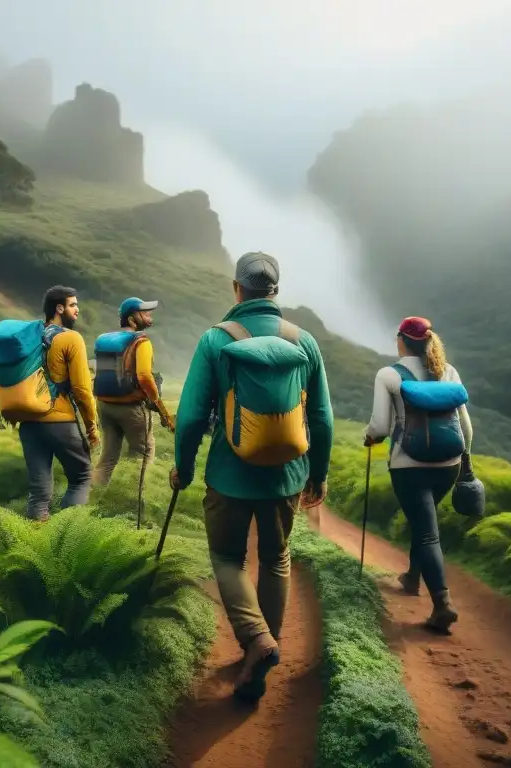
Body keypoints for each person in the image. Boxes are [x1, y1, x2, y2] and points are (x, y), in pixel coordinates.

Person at [170, 251, 334, 703]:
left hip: (229, 475)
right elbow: (321, 418)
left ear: (236, 289)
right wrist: (317, 473)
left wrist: (183, 469)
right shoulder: (304, 341)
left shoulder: (215, 340)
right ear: (275, 292)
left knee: (227, 558)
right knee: (277, 558)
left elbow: (188, 420)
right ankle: (262, 655)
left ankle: (257, 641)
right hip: (286, 479)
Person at [363, 316, 473, 633]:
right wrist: (465, 460)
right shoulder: (448, 372)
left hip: (409, 466)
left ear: (401, 340)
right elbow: (465, 427)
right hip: (449, 465)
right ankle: (412, 577)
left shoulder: (389, 375)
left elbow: (381, 427)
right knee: (423, 520)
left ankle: (442, 605)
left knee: (425, 531)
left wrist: (369, 437)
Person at [16, 285, 100, 521]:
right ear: (59, 308)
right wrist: (92, 427)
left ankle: (37, 542)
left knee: (39, 493)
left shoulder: (28, 338)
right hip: (60, 421)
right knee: (81, 477)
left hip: (29, 423)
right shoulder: (71, 338)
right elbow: (83, 390)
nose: (77, 310)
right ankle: (67, 536)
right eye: (73, 305)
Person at [92, 297, 174, 487]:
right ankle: (132, 503)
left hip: (104, 405)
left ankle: (93, 497)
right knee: (143, 454)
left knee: (108, 457)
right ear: (131, 319)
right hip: (131, 407)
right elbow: (144, 376)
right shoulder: (141, 342)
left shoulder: (104, 340)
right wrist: (159, 405)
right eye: (144, 313)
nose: (149, 315)